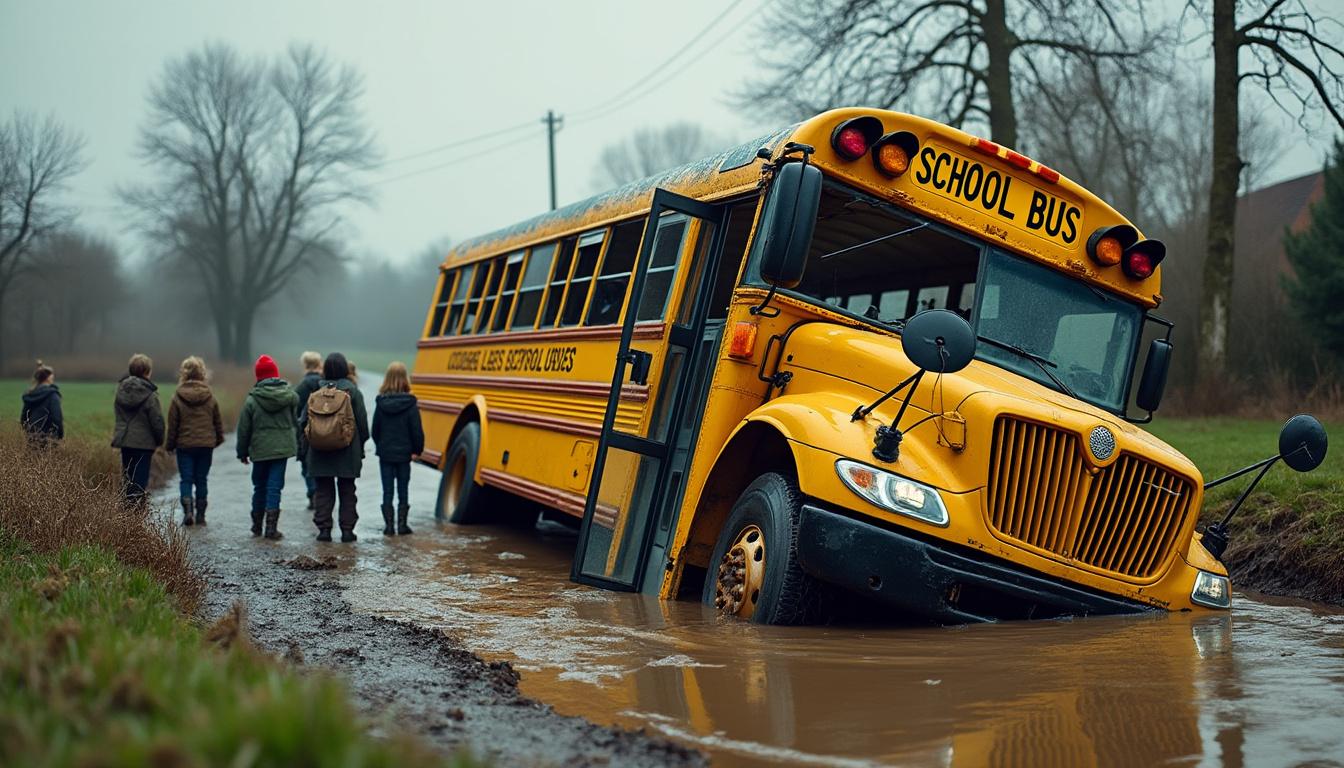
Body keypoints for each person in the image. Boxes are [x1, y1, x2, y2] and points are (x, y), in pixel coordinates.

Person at [302, 352, 369, 543]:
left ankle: (324, 530)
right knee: (347, 491)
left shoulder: (316, 392)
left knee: (323, 491)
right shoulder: (352, 392)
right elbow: (363, 425)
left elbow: (303, 421)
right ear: (345, 369)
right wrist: (359, 445)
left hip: (319, 451)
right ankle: (347, 531)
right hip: (347, 450)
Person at [236, 354, 299, 540]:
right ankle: (271, 529)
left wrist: (242, 452)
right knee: (274, 488)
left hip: (260, 449)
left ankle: (256, 526)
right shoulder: (290, 397)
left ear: (258, 376)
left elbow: (244, 429)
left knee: (259, 487)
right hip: (282, 449)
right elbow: (295, 422)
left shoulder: (252, 400)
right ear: (276, 374)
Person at [165, 356, 225, 526]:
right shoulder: (210, 396)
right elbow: (217, 422)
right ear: (202, 373)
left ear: (183, 373)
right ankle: (201, 516)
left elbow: (173, 424)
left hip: (184, 445)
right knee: (201, 479)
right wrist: (217, 440)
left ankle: (188, 511)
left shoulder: (177, 397)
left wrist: (169, 445)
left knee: (186, 479)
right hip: (205, 445)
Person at [372, 361, 424, 536]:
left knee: (387, 490)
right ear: (405, 379)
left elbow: (375, 430)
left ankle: (388, 527)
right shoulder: (410, 404)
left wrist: (381, 445)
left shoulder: (381, 403)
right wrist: (417, 450)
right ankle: (402, 525)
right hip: (404, 454)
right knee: (403, 489)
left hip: (386, 453)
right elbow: (416, 430)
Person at [111, 354, 165, 507]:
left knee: (128, 479)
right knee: (140, 481)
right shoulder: (150, 394)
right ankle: (137, 513)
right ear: (147, 372)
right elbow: (157, 421)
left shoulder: (120, 391)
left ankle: (127, 513)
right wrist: (160, 440)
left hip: (125, 441)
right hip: (144, 444)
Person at [293, 351, 323, 510]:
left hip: (305, 431)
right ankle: (322, 493)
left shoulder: (302, 386)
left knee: (306, 465)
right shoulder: (324, 383)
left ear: (305, 365)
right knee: (321, 462)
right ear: (319, 364)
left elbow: (295, 409)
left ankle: (313, 493)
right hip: (324, 429)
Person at [20, 361, 63, 447]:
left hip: (32, 438)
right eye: (51, 374)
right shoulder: (52, 395)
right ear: (47, 377)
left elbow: (24, 417)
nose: (53, 376)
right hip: (49, 440)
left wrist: (29, 433)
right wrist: (60, 435)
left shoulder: (31, 394)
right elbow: (57, 418)